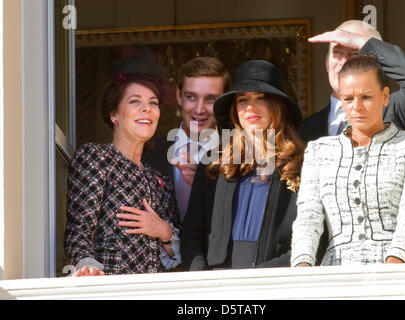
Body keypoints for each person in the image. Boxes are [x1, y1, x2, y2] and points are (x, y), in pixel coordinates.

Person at [291, 55, 405, 267]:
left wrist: (395, 266)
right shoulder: (318, 150)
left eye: (366, 97)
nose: (357, 107)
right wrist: (302, 267)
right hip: (335, 275)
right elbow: (308, 217)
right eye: (348, 99)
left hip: (400, 272)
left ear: (385, 96)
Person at [181, 60, 305, 270]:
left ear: (278, 105)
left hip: (277, 283)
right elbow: (192, 234)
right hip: (217, 287)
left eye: (261, 98)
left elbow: (311, 240)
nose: (250, 107)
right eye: (242, 100)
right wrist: (203, 279)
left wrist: (262, 279)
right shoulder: (213, 165)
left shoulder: (303, 165)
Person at [64, 60, 181, 276]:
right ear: (114, 114)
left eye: (153, 103)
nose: (147, 108)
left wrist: (164, 231)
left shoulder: (159, 179)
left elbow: (179, 257)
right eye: (135, 101)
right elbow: (78, 231)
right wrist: (87, 267)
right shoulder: (97, 158)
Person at [298, 20, 405, 143]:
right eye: (337, 53)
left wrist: (362, 42)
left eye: (355, 53)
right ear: (327, 62)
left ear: (378, 64)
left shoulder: (394, 109)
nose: (344, 62)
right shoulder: (306, 128)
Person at [142, 57, 231, 224]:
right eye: (191, 97)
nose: (199, 109)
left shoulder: (237, 157)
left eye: (210, 99)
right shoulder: (146, 154)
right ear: (179, 96)